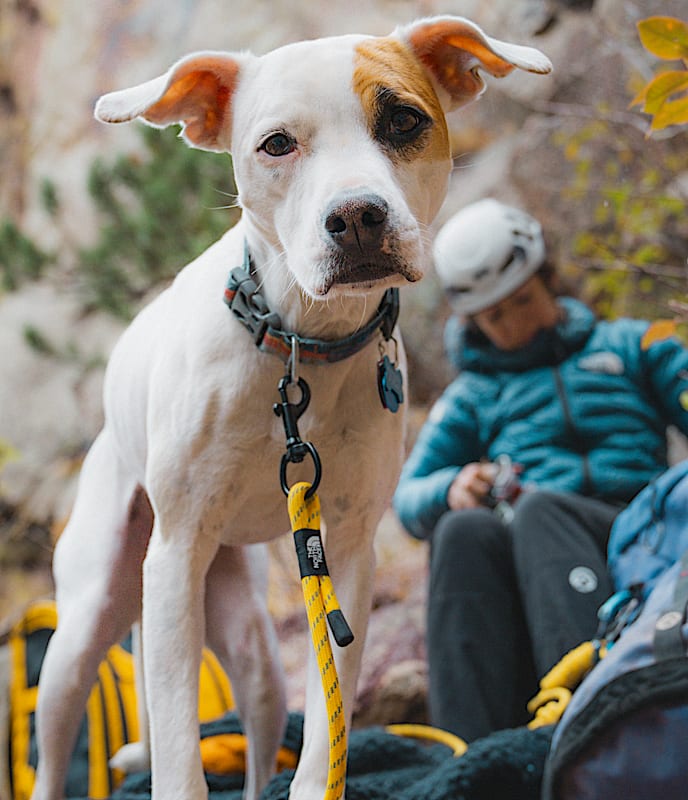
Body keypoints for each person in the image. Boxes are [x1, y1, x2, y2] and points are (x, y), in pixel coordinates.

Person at [392, 198, 688, 742]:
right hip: (535, 563)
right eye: (494, 316)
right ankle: (472, 753)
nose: (515, 324)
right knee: (462, 528)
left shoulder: (633, 345)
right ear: (471, 320)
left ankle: (594, 714)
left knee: (538, 509)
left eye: (523, 300)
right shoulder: (471, 399)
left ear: (548, 279)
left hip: (635, 531)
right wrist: (451, 487)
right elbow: (408, 499)